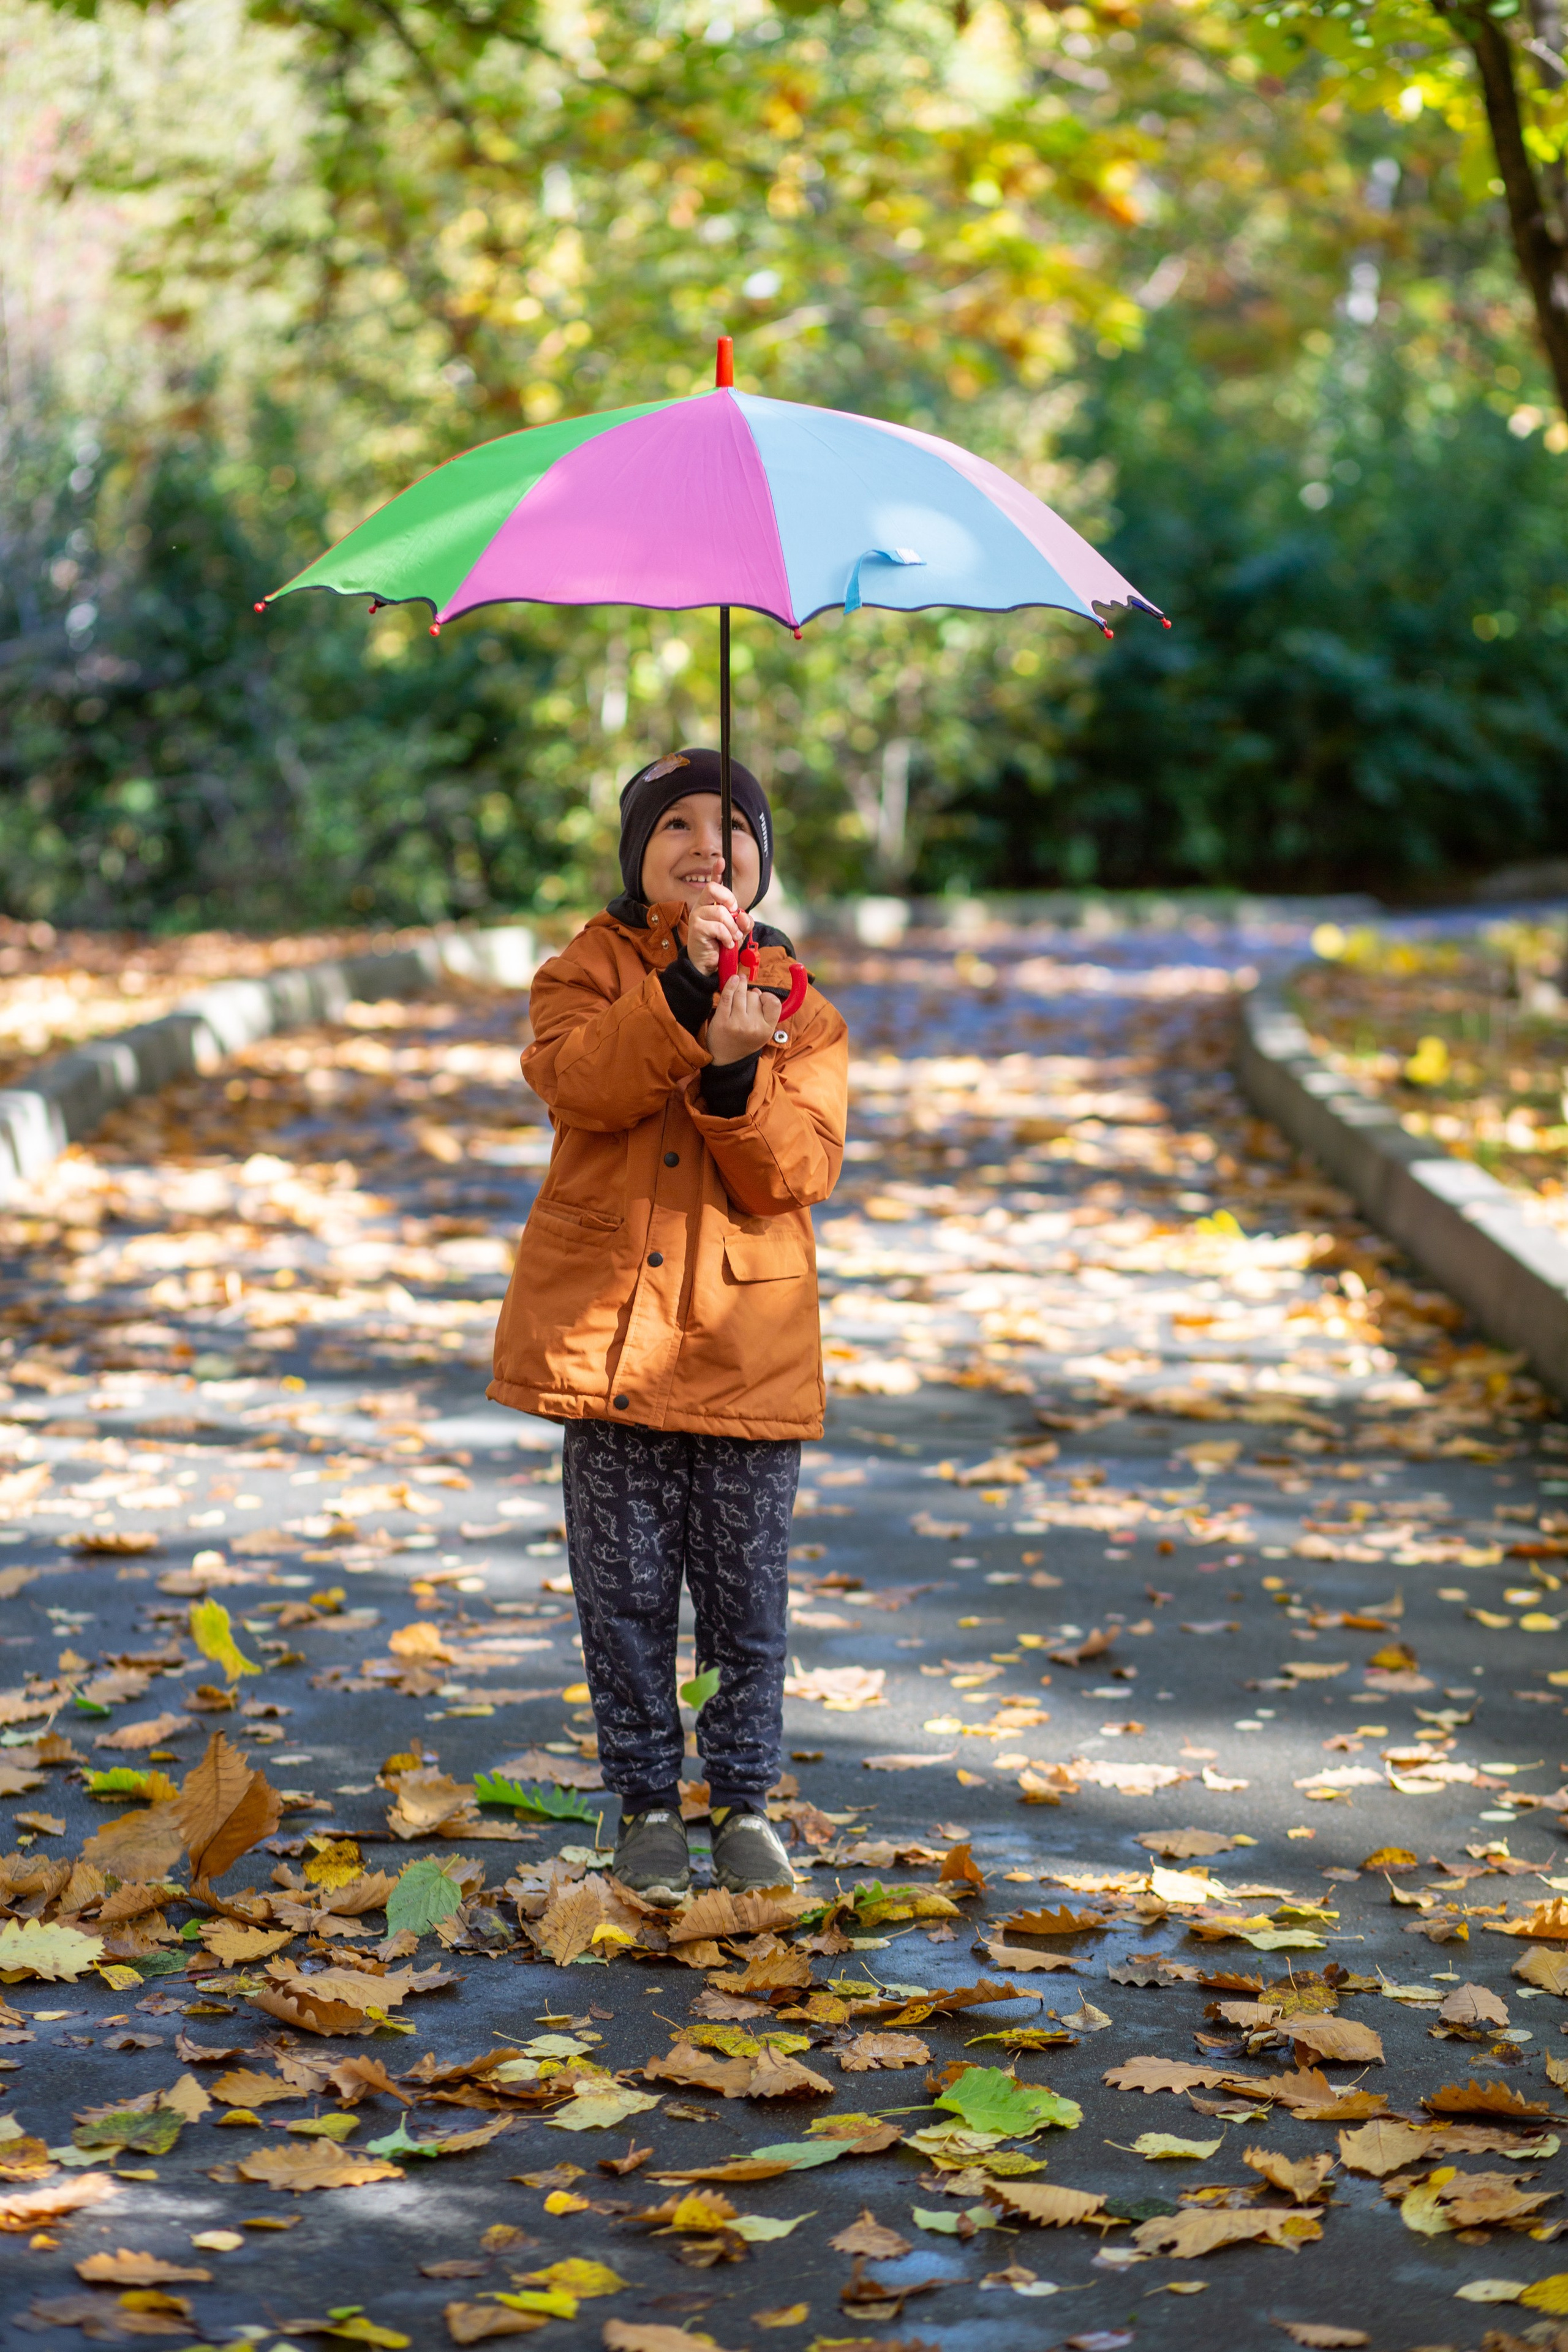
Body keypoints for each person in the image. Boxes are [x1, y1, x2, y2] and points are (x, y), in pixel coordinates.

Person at [487, 747, 848, 1904]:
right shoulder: (583, 972)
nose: (705, 844)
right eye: (675, 824)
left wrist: (738, 1074)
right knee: (625, 1593)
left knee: (745, 1599)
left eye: (730, 825)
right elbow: (582, 1083)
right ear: (637, 854)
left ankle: (743, 1801)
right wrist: (683, 998)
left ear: (761, 860)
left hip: (746, 1350)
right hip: (610, 1348)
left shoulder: (798, 1006)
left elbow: (800, 1172)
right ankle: (645, 1800)